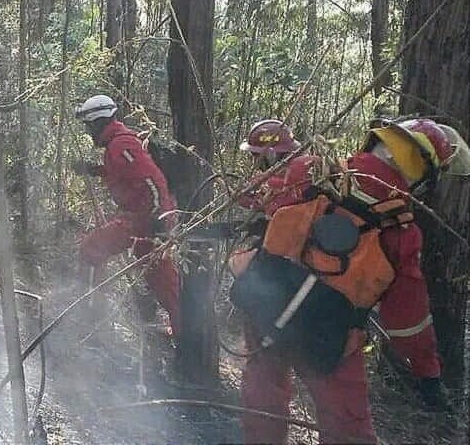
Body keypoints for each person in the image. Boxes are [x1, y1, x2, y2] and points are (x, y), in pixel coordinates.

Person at [231, 117, 470, 444]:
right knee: (348, 429)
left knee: (262, 401)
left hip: (266, 308)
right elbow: (407, 321)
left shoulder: (312, 170)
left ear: (377, 142)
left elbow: (258, 195)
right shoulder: (400, 232)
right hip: (328, 336)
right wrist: (428, 374)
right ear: (421, 176)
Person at [73, 94, 181, 336]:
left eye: (89, 127)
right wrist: (94, 170)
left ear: (98, 123)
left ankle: (90, 313)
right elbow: (125, 173)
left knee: (93, 249)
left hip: (146, 221)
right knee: (160, 277)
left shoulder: (121, 144)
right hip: (144, 218)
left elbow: (153, 181)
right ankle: (182, 328)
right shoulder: (119, 142)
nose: (89, 133)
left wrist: (158, 220)